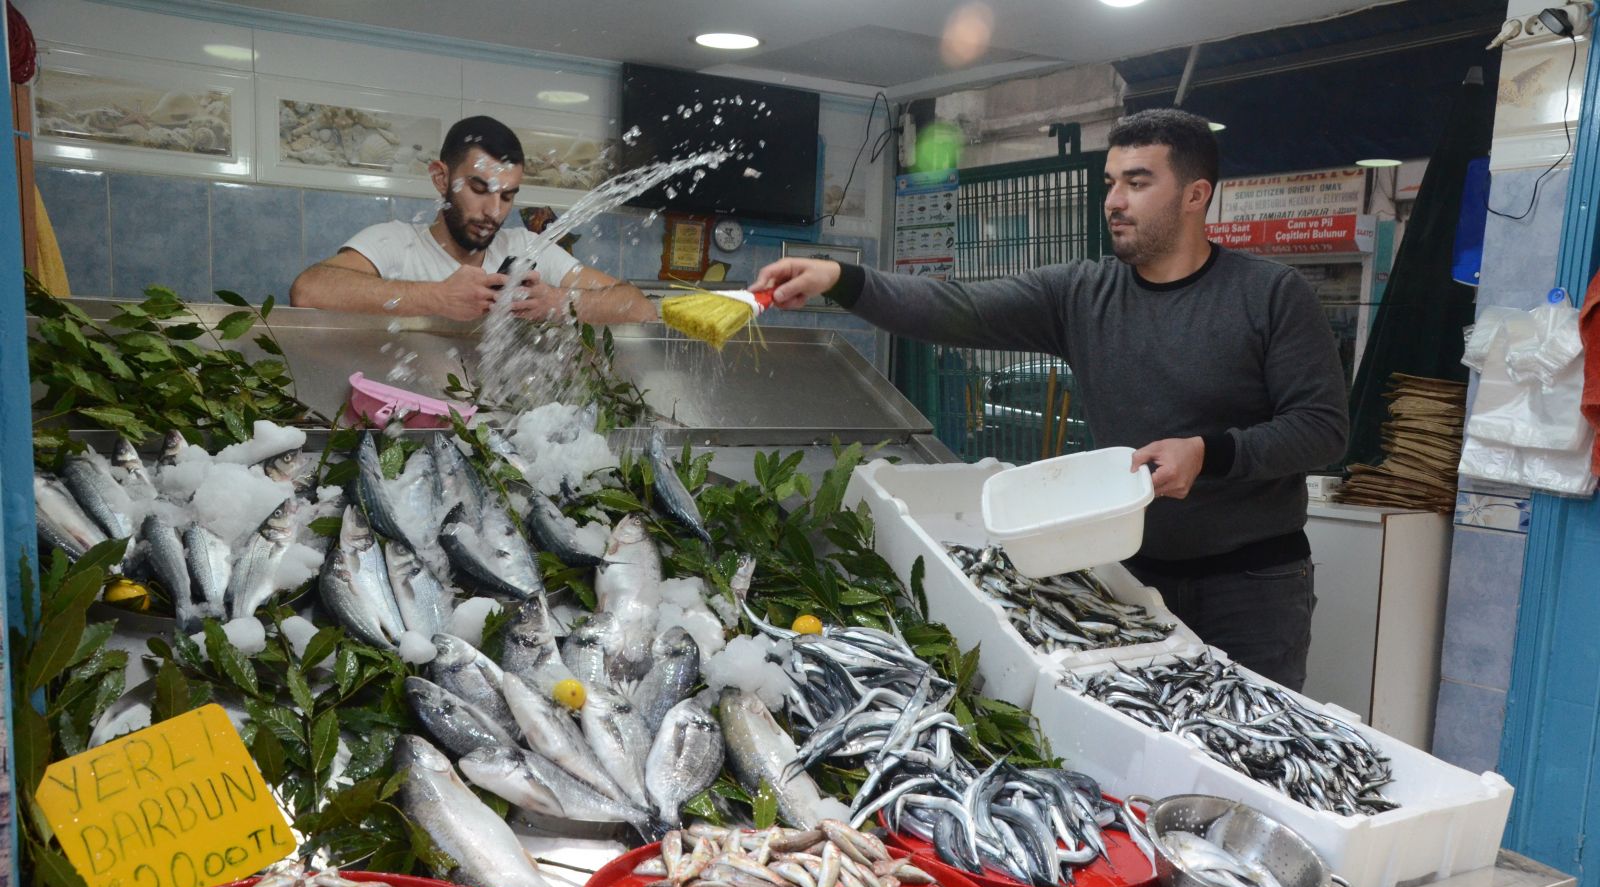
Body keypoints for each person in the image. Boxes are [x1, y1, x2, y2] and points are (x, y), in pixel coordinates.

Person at [753, 109, 1348, 691]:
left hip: (1254, 586)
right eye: (1111, 182)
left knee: (1257, 755)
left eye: (1138, 183)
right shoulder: (1080, 294)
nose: (1115, 200)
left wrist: (1207, 454)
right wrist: (842, 280)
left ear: (1195, 196)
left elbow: (1323, 429)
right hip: (1127, 579)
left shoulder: (1271, 295)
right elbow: (958, 308)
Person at [290, 115, 655, 324]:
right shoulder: (394, 243)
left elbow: (639, 307)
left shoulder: (527, 248)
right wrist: (437, 299)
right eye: (479, 189)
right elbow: (309, 290)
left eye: (507, 195)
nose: (494, 212)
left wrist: (560, 302)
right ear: (441, 178)